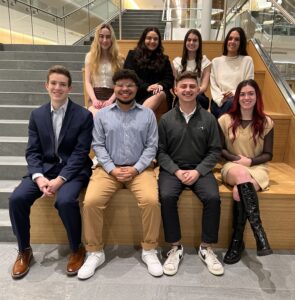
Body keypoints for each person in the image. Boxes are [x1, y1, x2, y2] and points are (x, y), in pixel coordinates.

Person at [9, 65, 93, 279]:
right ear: (46, 86)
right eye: (53, 83)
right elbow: (32, 152)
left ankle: (77, 248)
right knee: (16, 199)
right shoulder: (37, 115)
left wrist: (60, 179)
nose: (57, 88)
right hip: (43, 170)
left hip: (72, 171)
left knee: (64, 201)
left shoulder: (83, 116)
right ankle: (24, 250)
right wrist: (39, 178)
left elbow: (80, 153)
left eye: (62, 84)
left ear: (70, 88)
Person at [78, 69, 162, 280]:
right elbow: (97, 144)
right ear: (114, 89)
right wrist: (112, 169)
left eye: (130, 85)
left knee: (151, 201)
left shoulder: (148, 114)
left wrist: (136, 168)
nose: (125, 89)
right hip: (109, 169)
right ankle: (95, 252)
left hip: (140, 169)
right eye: (121, 85)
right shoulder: (103, 115)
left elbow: (152, 146)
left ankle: (150, 249)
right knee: (91, 202)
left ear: (136, 89)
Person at [157, 71, 224, 276]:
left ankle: (206, 247)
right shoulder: (166, 119)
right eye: (183, 86)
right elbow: (160, 151)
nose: (187, 90)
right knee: (166, 196)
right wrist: (176, 171)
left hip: (200, 169)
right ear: (175, 90)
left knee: (213, 198)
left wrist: (199, 171)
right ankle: (175, 247)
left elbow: (215, 151)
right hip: (173, 170)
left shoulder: (209, 118)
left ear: (198, 90)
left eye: (191, 86)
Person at [218, 79, 273, 264]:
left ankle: (237, 241)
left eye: (251, 93)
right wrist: (237, 160)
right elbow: (220, 150)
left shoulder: (266, 122)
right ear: (237, 97)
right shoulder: (225, 120)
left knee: (238, 192)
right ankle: (260, 234)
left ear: (257, 97)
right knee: (241, 176)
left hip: (258, 167)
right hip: (232, 166)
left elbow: (268, 154)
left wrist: (250, 161)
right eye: (242, 94)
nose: (246, 97)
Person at [124, 26, 174, 111]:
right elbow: (129, 75)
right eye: (149, 38)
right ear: (143, 39)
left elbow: (169, 79)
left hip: (157, 92)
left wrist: (160, 85)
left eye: (155, 39)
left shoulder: (164, 59)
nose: (152, 41)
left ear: (159, 41)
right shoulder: (132, 55)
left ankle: (140, 118)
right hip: (139, 91)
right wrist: (146, 87)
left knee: (160, 93)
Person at [210, 27, 254, 118]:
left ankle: (218, 129)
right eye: (230, 38)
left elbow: (248, 84)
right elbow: (213, 86)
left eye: (237, 39)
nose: (232, 41)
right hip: (218, 101)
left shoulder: (247, 60)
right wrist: (222, 99)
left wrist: (233, 93)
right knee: (225, 106)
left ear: (241, 43)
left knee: (230, 103)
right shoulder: (216, 61)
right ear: (226, 41)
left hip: (238, 100)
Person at [85, 23, 124, 116]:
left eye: (108, 37)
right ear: (97, 38)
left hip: (114, 97)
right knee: (96, 117)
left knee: (110, 119)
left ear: (112, 39)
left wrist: (111, 100)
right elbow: (88, 82)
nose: (104, 40)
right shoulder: (90, 57)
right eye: (101, 36)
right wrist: (94, 100)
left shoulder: (120, 59)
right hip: (95, 96)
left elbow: (120, 84)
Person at [172, 29, 211, 110]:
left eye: (195, 40)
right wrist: (184, 94)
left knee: (199, 100)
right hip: (181, 95)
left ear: (199, 43)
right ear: (185, 42)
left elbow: (204, 86)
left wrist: (192, 93)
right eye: (189, 40)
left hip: (199, 95)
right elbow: (175, 85)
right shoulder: (176, 62)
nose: (191, 43)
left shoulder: (206, 62)